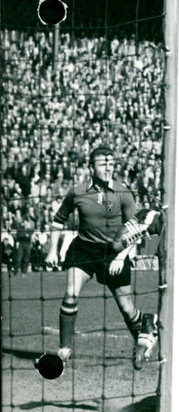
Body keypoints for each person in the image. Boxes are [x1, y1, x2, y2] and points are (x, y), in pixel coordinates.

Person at [44, 146, 159, 370]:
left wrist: (120, 257)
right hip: (84, 250)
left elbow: (135, 229)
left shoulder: (123, 193)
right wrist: (52, 249)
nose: (108, 167)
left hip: (114, 253)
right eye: (102, 163)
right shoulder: (77, 192)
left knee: (126, 308)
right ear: (91, 167)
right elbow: (59, 220)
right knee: (70, 292)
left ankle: (143, 333)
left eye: (110, 163)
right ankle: (64, 348)